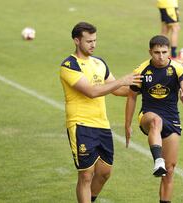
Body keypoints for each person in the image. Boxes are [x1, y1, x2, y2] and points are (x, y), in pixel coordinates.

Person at [59, 22, 142, 203]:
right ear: (76, 41)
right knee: (86, 175)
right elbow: (92, 92)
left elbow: (117, 90)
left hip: (102, 125)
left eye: (95, 40)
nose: (93, 44)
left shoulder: (99, 63)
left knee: (104, 173)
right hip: (80, 125)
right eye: (88, 41)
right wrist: (121, 80)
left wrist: (143, 87)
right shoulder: (69, 65)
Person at [125, 35, 183, 203]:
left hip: (172, 118)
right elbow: (132, 97)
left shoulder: (179, 68)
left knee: (169, 171)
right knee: (156, 122)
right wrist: (127, 125)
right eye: (156, 52)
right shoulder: (141, 70)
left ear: (169, 51)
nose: (161, 56)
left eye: (164, 52)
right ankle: (157, 160)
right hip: (148, 114)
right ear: (150, 52)